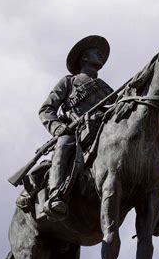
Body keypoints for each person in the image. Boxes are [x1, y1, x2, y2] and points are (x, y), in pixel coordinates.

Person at [38, 35, 113, 219]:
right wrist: (57, 128)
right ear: (84, 58)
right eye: (97, 52)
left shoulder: (105, 88)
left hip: (103, 128)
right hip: (78, 130)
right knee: (64, 144)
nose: (101, 55)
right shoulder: (68, 82)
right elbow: (46, 109)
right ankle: (56, 194)